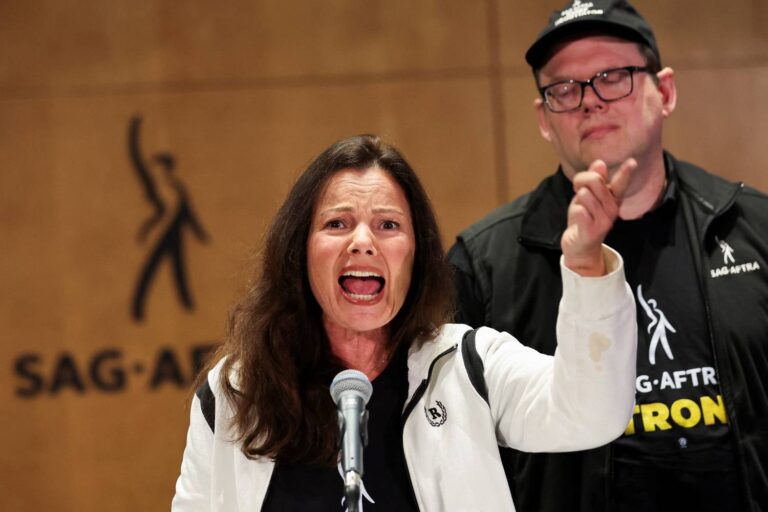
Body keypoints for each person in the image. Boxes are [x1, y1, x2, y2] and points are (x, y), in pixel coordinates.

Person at [172, 134, 637, 511]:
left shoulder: (469, 367)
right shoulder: (236, 392)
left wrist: (586, 266)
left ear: (416, 255)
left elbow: (590, 414)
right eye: (337, 224)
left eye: (388, 225)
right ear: (299, 252)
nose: (362, 241)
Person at [448, 1, 768, 511]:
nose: (589, 102)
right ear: (544, 119)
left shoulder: (752, 227)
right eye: (563, 89)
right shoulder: (484, 264)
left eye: (613, 77)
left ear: (665, 92)